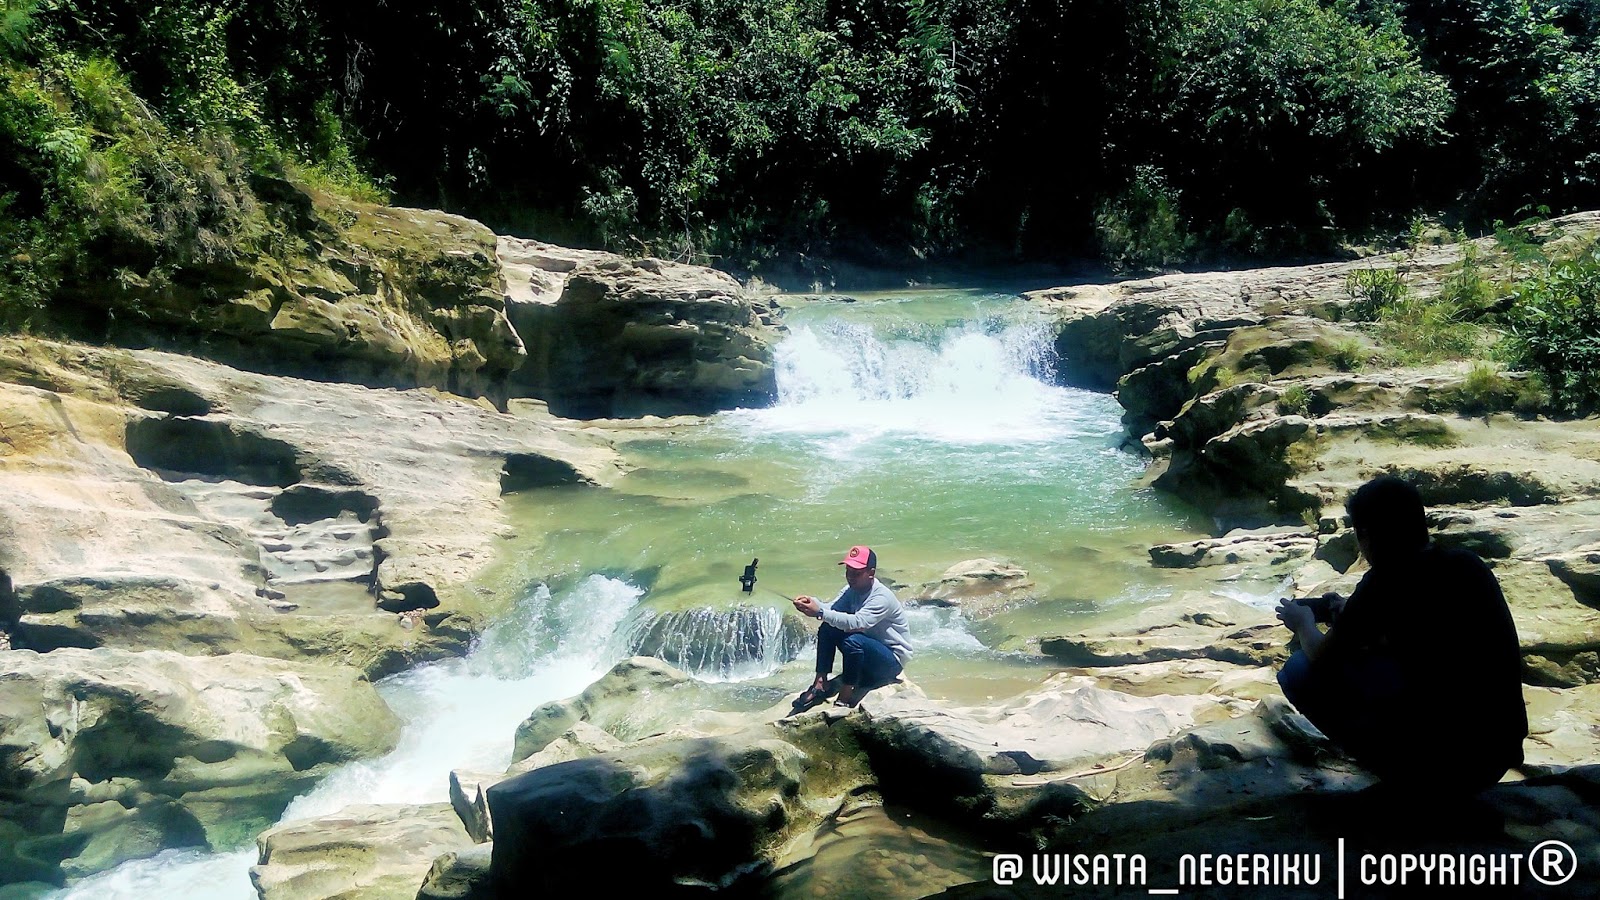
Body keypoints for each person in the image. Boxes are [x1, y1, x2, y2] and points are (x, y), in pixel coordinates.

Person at [1275, 475, 1527, 794]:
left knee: (1297, 670)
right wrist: (1352, 614)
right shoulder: (1467, 565)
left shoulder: (1384, 582)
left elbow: (1322, 657)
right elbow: (1429, 641)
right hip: (1494, 756)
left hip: (1444, 765)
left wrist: (1302, 623)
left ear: (1365, 534)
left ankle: (1405, 776)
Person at [789, 545, 912, 712]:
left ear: (871, 573)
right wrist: (812, 603)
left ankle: (846, 694)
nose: (850, 577)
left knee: (853, 641)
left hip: (890, 662)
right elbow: (832, 609)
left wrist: (819, 612)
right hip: (866, 650)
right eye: (848, 571)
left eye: (856, 573)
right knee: (827, 628)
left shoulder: (881, 597)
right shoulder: (851, 590)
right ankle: (820, 682)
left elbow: (857, 623)